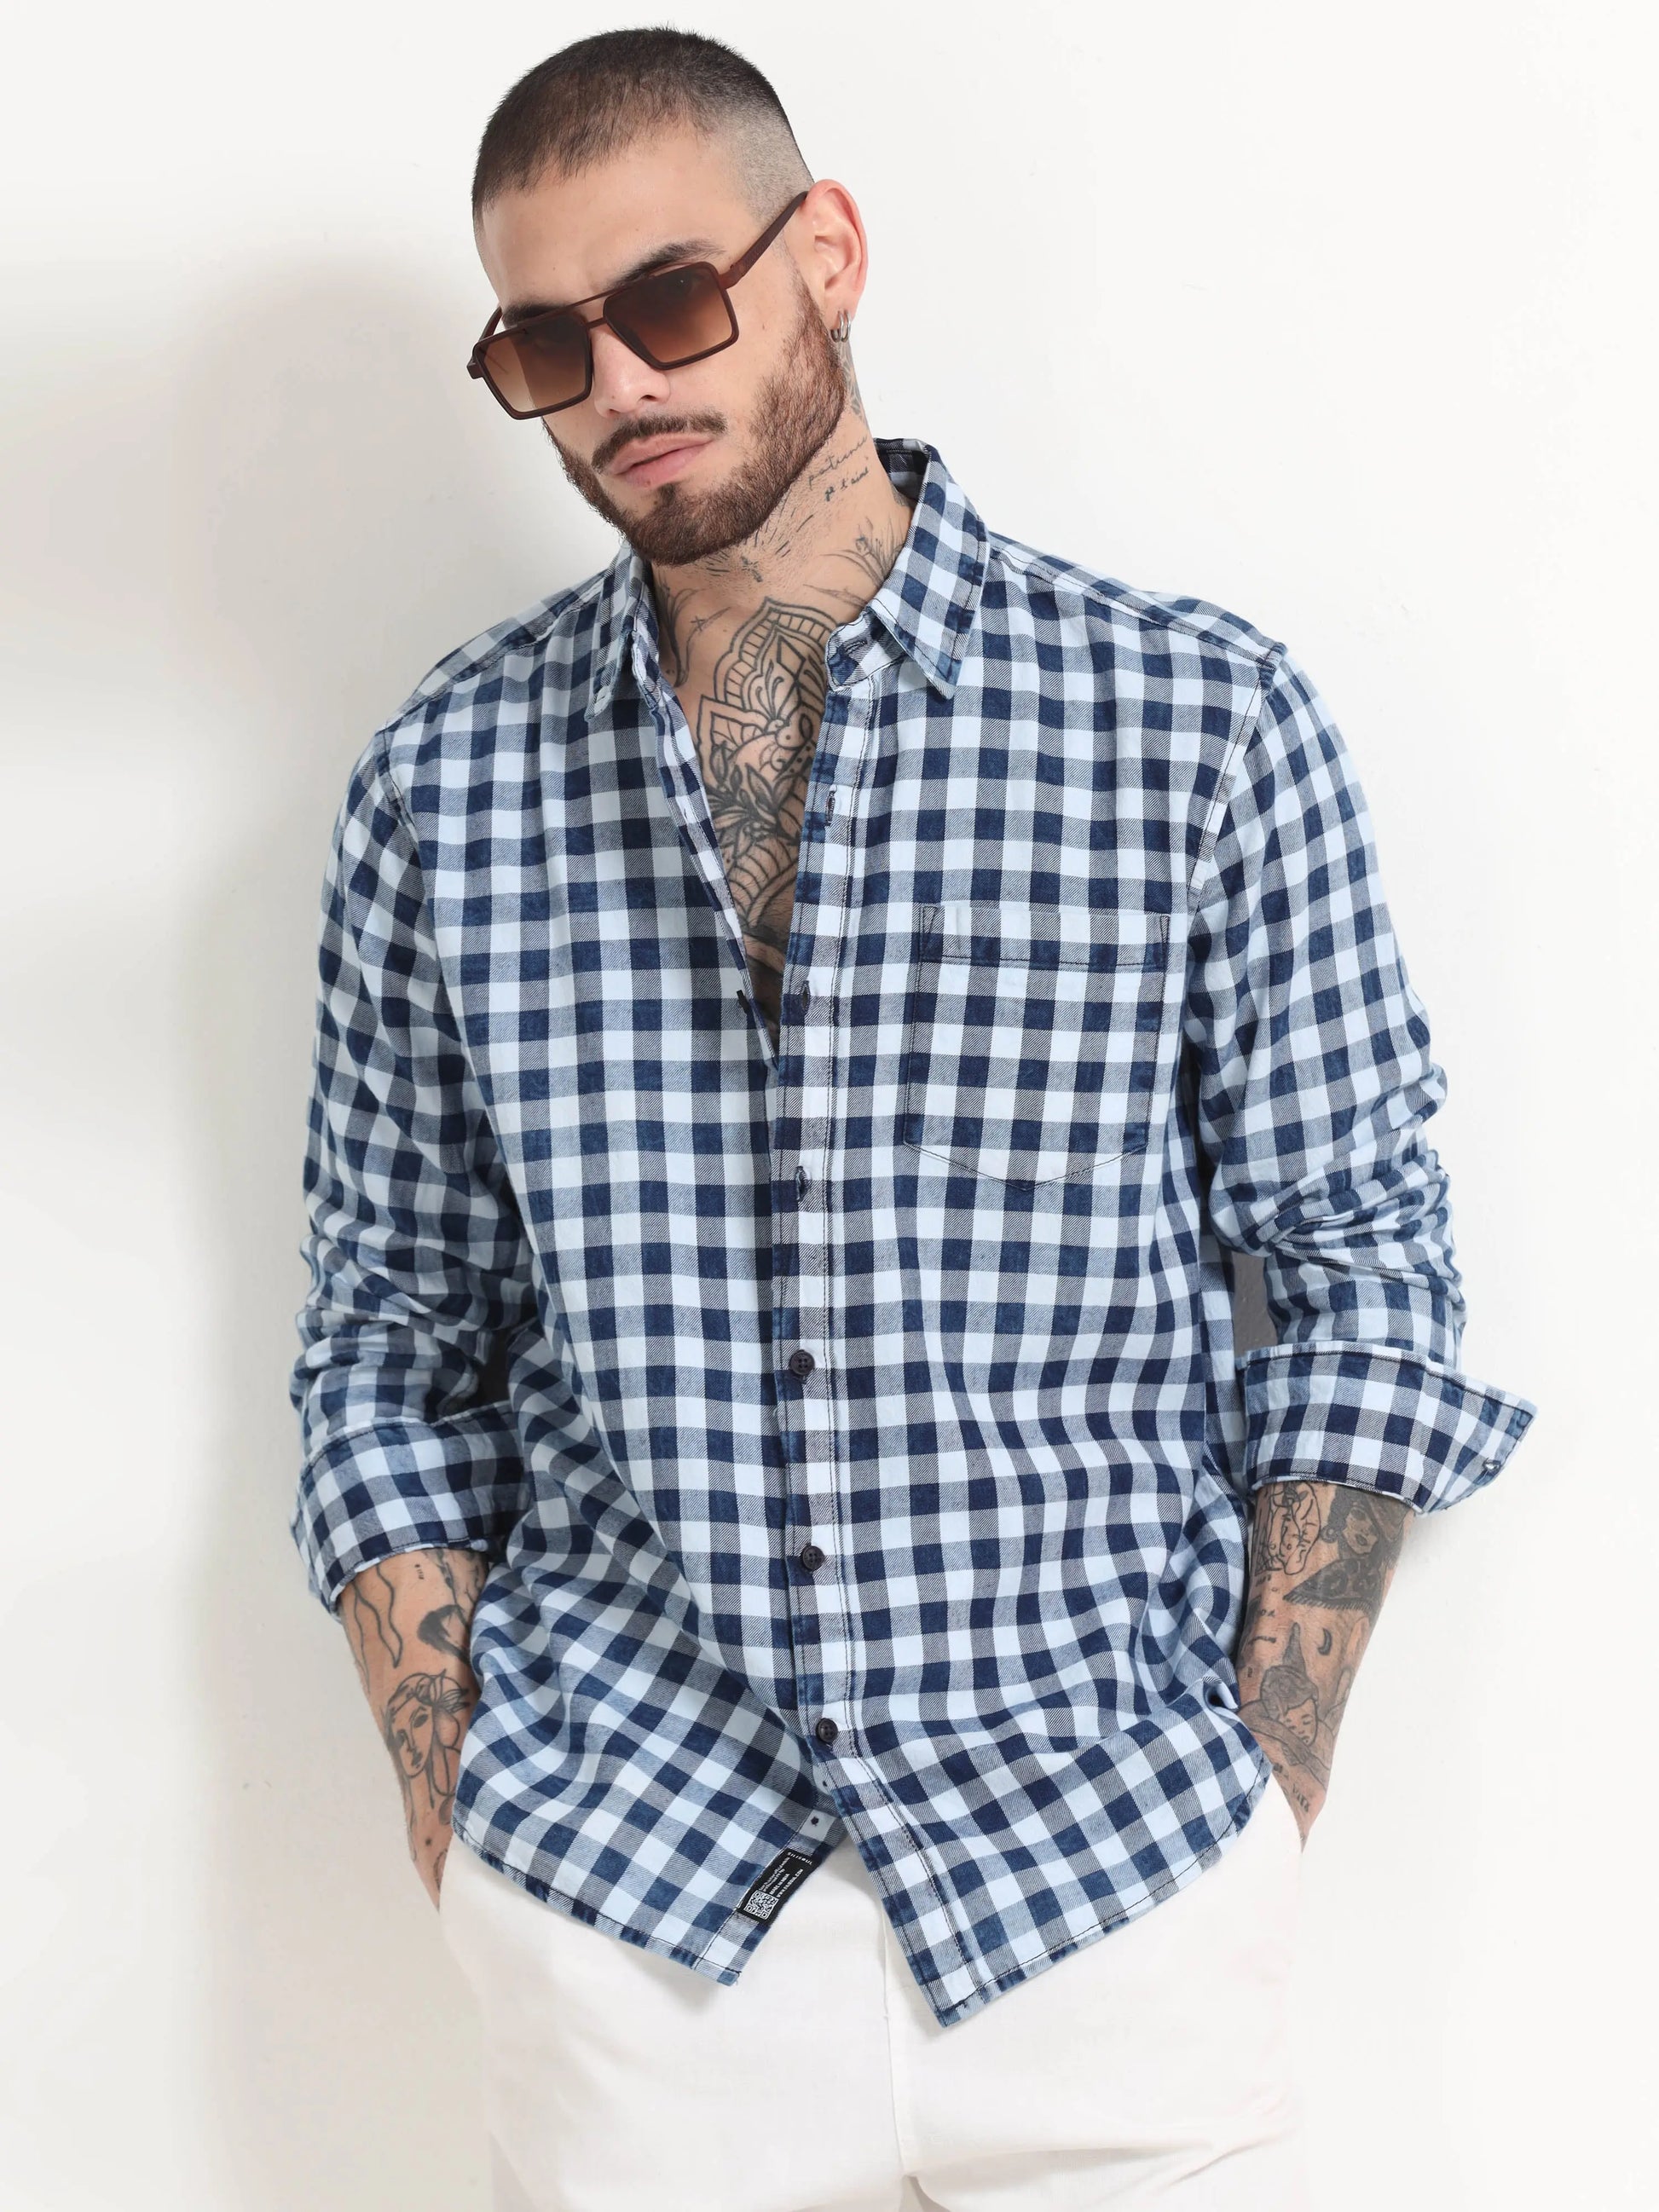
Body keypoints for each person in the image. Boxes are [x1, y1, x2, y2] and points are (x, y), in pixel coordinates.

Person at [286, 27, 1537, 2212]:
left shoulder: (1190, 728)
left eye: (672, 298)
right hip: (632, 1923)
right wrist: (449, 1788)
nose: (618, 382)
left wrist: (1266, 1782)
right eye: (544, 343)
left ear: (827, 254)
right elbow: (392, 1329)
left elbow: (1358, 1268)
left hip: (1111, 1899)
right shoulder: (444, 791)